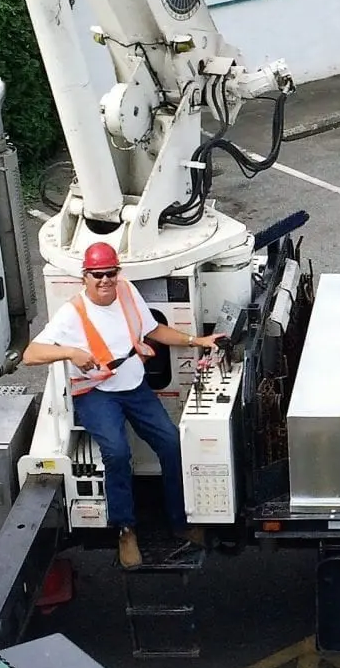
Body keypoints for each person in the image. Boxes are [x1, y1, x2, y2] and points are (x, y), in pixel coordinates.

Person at [23, 240, 220, 567]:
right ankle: (125, 530)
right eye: (97, 275)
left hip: (134, 387)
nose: (105, 281)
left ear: (118, 273)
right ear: (85, 277)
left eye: (110, 273)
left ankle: (180, 521)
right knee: (116, 452)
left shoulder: (127, 293)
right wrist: (71, 352)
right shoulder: (72, 313)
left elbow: (153, 329)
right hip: (96, 394)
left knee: (172, 444)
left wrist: (195, 341)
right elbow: (32, 354)